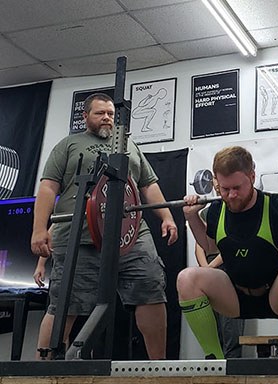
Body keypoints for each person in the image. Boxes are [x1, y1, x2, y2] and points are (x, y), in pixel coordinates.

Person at [30, 93, 178, 360]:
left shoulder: (130, 146)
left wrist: (166, 217)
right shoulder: (69, 145)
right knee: (65, 305)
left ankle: (160, 367)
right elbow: (48, 187)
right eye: (100, 113)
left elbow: (148, 185)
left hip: (130, 235)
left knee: (151, 290)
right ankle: (42, 371)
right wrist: (39, 229)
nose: (107, 118)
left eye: (110, 113)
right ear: (85, 117)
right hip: (79, 236)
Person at [178, 146, 278, 359]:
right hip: (235, 298)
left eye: (237, 188)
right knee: (187, 278)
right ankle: (214, 360)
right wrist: (192, 217)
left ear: (252, 176)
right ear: (216, 182)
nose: (231, 195)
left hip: (275, 297)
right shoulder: (215, 210)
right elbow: (210, 247)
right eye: (225, 188)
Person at [193, 204, 245, 358]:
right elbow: (199, 244)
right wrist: (205, 269)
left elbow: (233, 243)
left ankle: (231, 362)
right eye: (215, 178)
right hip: (208, 268)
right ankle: (213, 362)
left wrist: (211, 268)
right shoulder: (207, 212)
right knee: (210, 321)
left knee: (231, 323)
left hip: (230, 264)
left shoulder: (241, 210)